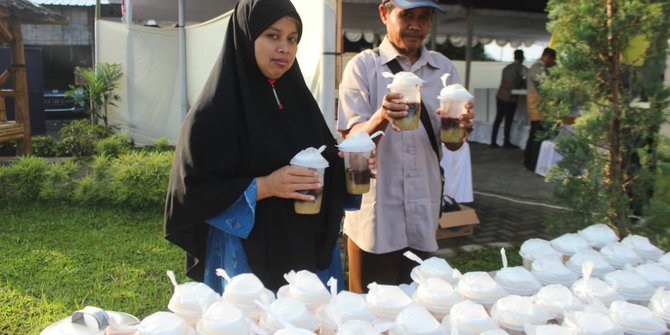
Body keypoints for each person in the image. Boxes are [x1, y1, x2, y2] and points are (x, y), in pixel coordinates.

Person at [164, 0, 355, 293]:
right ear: (245, 34)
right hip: (246, 261)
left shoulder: (299, 102)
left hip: (307, 255)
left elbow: (321, 157)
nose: (285, 48)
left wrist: (347, 166)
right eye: (272, 35)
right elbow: (193, 191)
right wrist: (265, 186)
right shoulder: (213, 112)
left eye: (292, 39)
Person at [337, 0, 474, 293]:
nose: (415, 25)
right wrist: (381, 116)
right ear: (385, 14)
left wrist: (461, 130)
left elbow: (450, 145)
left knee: (415, 302)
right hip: (377, 213)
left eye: (423, 17)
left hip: (422, 206)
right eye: (406, 15)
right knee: (370, 306)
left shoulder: (443, 69)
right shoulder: (363, 66)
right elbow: (351, 141)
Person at [524, 47, 556, 172]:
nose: (552, 63)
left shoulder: (539, 67)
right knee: (537, 135)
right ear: (547, 57)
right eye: (552, 60)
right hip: (537, 105)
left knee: (535, 134)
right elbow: (544, 82)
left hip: (539, 105)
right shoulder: (538, 68)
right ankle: (532, 162)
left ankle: (530, 161)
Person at [491, 49, 527, 149]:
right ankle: (506, 141)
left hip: (500, 95)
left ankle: (493, 141)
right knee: (508, 120)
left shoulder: (506, 68)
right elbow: (523, 81)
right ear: (522, 58)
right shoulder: (521, 68)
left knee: (498, 119)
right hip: (510, 97)